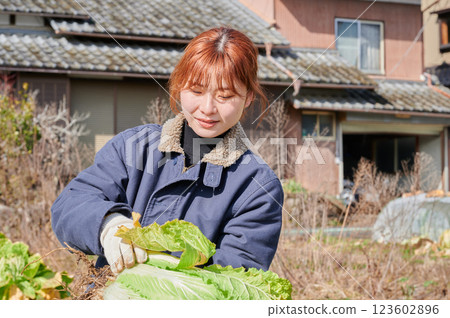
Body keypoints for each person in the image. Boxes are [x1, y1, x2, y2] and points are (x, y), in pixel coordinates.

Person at [51, 27, 283, 274]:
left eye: (225, 96)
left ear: (248, 98)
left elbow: (236, 277)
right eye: (196, 91)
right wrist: (108, 225)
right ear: (180, 86)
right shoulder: (133, 146)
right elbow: (70, 205)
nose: (207, 108)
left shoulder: (257, 187)